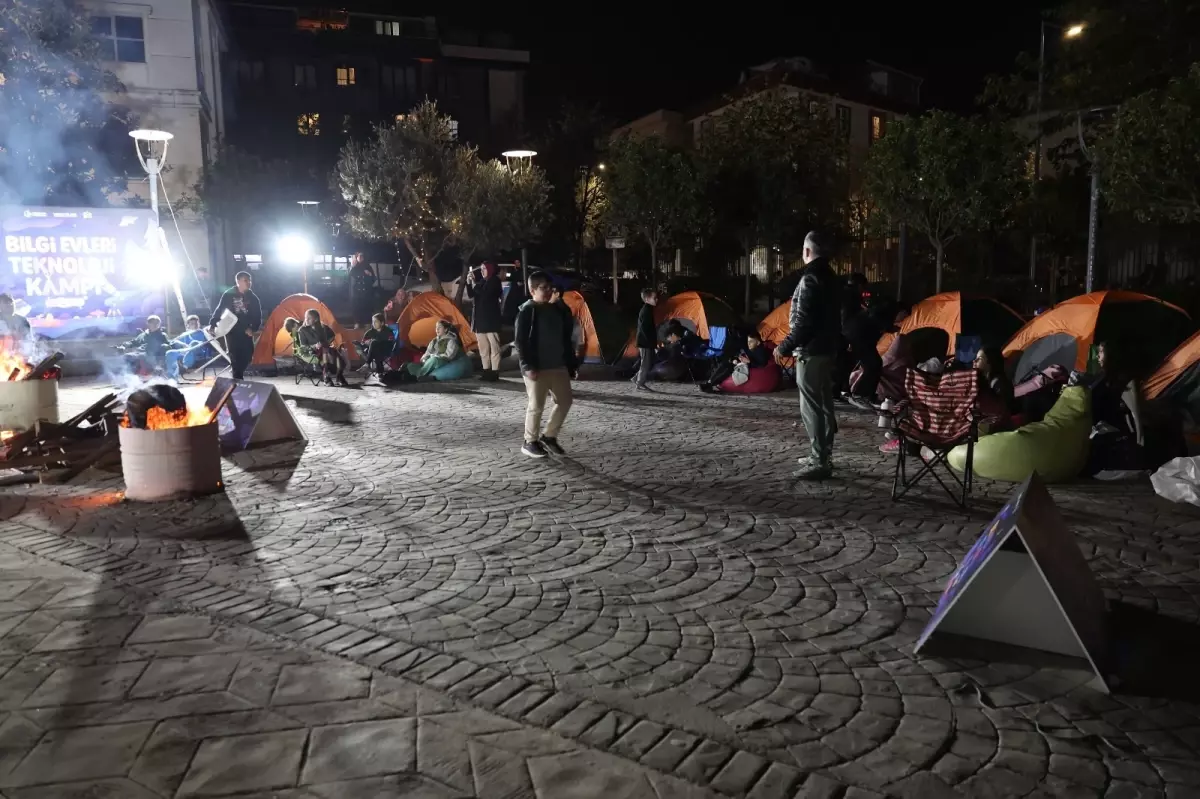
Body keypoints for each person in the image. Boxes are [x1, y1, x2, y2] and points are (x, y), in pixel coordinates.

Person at [775, 230, 843, 480]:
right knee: (824, 405)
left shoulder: (810, 279)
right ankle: (824, 454)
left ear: (807, 251)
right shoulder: (832, 277)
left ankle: (819, 460)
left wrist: (783, 347)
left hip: (811, 352)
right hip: (827, 349)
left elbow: (803, 323)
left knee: (812, 406)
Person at [515, 271, 577, 459]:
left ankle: (549, 436)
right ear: (532, 290)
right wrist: (527, 366)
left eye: (551, 287)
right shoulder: (527, 310)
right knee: (536, 405)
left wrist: (571, 364)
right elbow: (520, 341)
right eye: (544, 288)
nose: (549, 291)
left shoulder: (555, 308)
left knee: (565, 401)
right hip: (537, 367)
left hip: (558, 364)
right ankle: (530, 441)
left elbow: (567, 327)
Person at [208, 271, 262, 380]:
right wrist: (212, 324)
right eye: (245, 280)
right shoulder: (229, 294)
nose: (249, 283)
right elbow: (220, 309)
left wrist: (253, 328)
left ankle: (237, 373)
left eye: (249, 280)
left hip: (246, 331)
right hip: (231, 330)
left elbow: (257, 316)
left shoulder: (253, 298)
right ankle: (237, 379)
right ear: (238, 281)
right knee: (235, 356)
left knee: (248, 355)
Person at [841, 279, 882, 411]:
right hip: (856, 334)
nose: (865, 290)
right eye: (863, 287)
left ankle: (855, 392)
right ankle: (860, 394)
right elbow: (847, 318)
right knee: (872, 363)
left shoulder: (850, 296)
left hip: (854, 334)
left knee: (867, 363)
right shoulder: (850, 297)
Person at [466, 261, 503, 381]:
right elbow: (472, 295)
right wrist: (468, 283)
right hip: (480, 320)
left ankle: (495, 371)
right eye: (481, 269)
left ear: (490, 270)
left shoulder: (495, 282)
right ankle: (486, 370)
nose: (482, 271)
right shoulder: (481, 282)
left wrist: (474, 284)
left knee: (494, 347)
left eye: (484, 269)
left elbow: (486, 295)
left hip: (491, 320)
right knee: (483, 348)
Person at [700, 331, 769, 393]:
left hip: (748, 367)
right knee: (725, 363)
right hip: (741, 363)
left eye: (751, 342)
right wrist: (737, 359)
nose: (749, 344)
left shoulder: (761, 351)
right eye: (748, 342)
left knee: (728, 369)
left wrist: (749, 362)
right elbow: (742, 353)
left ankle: (710, 385)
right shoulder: (750, 349)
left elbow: (761, 365)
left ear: (758, 342)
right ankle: (709, 382)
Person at [295, 309, 349, 386]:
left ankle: (338, 376)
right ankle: (327, 377)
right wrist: (314, 346)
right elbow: (303, 347)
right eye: (305, 317)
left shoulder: (323, 327)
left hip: (326, 349)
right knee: (326, 351)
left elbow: (332, 336)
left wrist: (326, 343)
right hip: (313, 351)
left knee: (334, 353)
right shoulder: (302, 330)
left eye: (309, 318)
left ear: (316, 319)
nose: (306, 319)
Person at [164, 314, 217, 381]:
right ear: (188, 325)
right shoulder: (186, 334)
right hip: (186, 351)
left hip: (200, 352)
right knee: (170, 353)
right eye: (192, 323)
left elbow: (210, 342)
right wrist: (183, 344)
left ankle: (185, 366)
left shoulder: (203, 332)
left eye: (196, 323)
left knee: (194, 343)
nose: (195, 325)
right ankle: (172, 378)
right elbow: (173, 341)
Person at [550, 286, 584, 362]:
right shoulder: (561, 307)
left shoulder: (559, 308)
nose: (548, 294)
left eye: (551, 292)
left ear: (557, 294)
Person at [634, 288, 658, 391]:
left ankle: (636, 378)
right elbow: (645, 329)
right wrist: (652, 344)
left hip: (646, 342)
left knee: (647, 362)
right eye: (654, 298)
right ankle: (640, 383)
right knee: (646, 363)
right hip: (645, 342)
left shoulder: (648, 309)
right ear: (647, 299)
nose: (657, 300)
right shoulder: (646, 311)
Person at [348, 253, 378, 326]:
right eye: (359, 256)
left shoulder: (368, 266)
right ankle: (357, 325)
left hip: (366, 295)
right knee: (357, 313)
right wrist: (352, 266)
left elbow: (373, 279)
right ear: (356, 257)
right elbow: (347, 278)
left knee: (367, 313)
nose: (361, 258)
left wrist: (370, 274)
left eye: (362, 256)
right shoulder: (352, 267)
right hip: (356, 296)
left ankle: (367, 327)